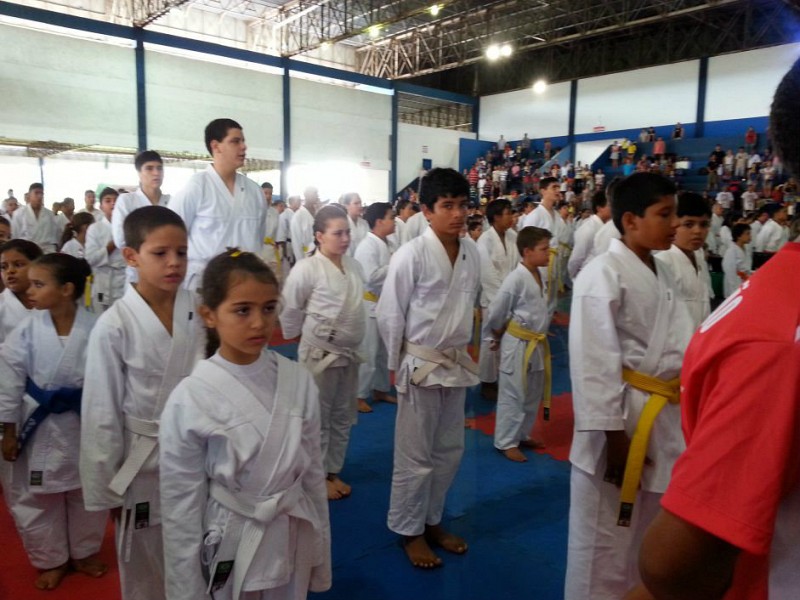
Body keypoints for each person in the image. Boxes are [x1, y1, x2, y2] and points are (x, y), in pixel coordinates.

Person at [628, 58, 800, 600]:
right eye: (675, 219)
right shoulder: (779, 337)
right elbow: (673, 566)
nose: (690, 230)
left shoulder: (760, 306)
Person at [160, 250, 331, 600]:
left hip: (291, 529)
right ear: (209, 315)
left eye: (268, 308)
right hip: (231, 535)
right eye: (242, 310)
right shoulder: (190, 396)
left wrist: (321, 553)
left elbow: (313, 475)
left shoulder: (298, 380)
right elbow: (181, 503)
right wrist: (186, 590)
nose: (259, 323)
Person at [564, 172, 694, 599]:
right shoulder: (601, 274)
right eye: (664, 214)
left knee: (644, 544)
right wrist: (613, 437)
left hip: (662, 416)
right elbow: (592, 362)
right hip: (620, 423)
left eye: (675, 214)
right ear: (631, 220)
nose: (675, 223)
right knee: (601, 549)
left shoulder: (663, 269)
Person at [80, 206, 204, 600]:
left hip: (198, 453)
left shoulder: (198, 309)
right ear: (131, 256)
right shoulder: (113, 325)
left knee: (198, 551)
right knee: (146, 565)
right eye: (160, 253)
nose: (174, 263)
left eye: (182, 252)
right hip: (142, 464)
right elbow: (100, 413)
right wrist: (107, 490)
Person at [377, 168, 479, 569]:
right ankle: (409, 530)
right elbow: (390, 313)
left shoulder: (472, 253)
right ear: (427, 211)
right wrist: (394, 365)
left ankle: (432, 520)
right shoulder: (411, 254)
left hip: (455, 364)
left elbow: (469, 306)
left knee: (449, 452)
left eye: (463, 205)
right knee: (415, 455)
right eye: (447, 206)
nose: (457, 214)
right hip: (419, 365)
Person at [0, 254, 107, 590]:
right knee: (38, 497)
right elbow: (9, 380)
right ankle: (52, 559)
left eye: (38, 284)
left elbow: (111, 381)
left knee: (86, 491)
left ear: (66, 289)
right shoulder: (26, 330)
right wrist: (8, 429)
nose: (29, 290)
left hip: (84, 421)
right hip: (38, 424)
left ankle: (84, 553)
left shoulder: (98, 328)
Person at [281, 204, 366, 500]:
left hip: (348, 354)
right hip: (319, 354)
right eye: (337, 234)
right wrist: (300, 339)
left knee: (343, 416)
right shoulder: (306, 269)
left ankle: (332, 471)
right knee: (316, 417)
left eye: (347, 233)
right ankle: (314, 478)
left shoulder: (354, 266)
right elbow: (290, 309)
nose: (345, 239)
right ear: (319, 236)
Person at [169, 118, 267, 290]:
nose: (243, 147)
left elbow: (258, 237)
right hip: (204, 282)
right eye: (235, 141)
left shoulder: (255, 191)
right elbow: (172, 234)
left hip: (245, 281)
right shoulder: (197, 186)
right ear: (216, 146)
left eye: (243, 141)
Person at [485, 226, 553, 462]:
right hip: (518, 343)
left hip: (536, 342)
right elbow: (497, 311)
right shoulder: (515, 278)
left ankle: (522, 434)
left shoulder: (540, 274)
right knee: (513, 393)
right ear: (527, 251)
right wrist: (496, 334)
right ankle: (506, 441)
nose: (549, 253)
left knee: (533, 392)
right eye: (544, 249)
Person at [354, 202, 396, 414]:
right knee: (368, 352)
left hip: (384, 304)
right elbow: (371, 277)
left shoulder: (389, 243)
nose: (394, 221)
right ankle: (359, 395)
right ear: (379, 221)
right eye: (391, 217)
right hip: (369, 304)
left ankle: (380, 389)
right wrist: (395, 265)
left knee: (382, 353)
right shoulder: (367, 246)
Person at [476, 198, 520, 401]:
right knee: (490, 341)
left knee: (508, 340)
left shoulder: (513, 236)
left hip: (511, 296)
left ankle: (503, 377)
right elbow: (487, 275)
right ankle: (487, 382)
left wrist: (513, 296)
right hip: (492, 299)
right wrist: (502, 302)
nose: (512, 217)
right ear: (496, 217)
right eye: (508, 213)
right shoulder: (484, 241)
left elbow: (519, 267)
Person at [654, 192, 714, 330]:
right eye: (688, 224)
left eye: (704, 224)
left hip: (699, 337)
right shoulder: (662, 262)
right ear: (673, 224)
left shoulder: (699, 259)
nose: (697, 231)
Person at [111, 150, 170, 282]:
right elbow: (121, 239)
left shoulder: (171, 201)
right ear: (139, 173)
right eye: (149, 168)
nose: (156, 173)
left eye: (159, 168)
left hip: (167, 270)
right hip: (138, 273)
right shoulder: (127, 201)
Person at [520, 177, 563, 310]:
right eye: (554, 187)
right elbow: (525, 242)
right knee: (538, 299)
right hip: (538, 265)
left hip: (554, 261)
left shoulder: (557, 215)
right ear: (543, 191)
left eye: (558, 187)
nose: (558, 190)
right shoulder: (535, 215)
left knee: (552, 300)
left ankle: (547, 320)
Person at [85, 187, 125, 313]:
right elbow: (90, 259)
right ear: (101, 207)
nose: (113, 203)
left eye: (116, 201)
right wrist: (111, 246)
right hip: (102, 279)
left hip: (123, 279)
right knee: (100, 317)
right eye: (108, 201)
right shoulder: (95, 228)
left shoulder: (128, 227)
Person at [0, 239, 42, 343]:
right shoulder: (2, 305)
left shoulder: (52, 301)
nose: (10, 271)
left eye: (18, 265)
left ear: (38, 266)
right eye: (3, 267)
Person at [568, 190, 610, 279]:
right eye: (609, 205)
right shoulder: (588, 229)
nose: (613, 209)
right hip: (587, 275)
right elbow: (576, 258)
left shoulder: (608, 226)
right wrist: (575, 277)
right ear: (599, 208)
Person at [11, 183, 59, 253]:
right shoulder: (19, 213)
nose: (40, 196)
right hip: (26, 250)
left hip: (47, 250)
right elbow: (15, 236)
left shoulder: (49, 214)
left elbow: (54, 236)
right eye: (36, 193)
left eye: (41, 193)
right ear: (29, 195)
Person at [290, 187, 322, 262]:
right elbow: (296, 243)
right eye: (314, 193)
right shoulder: (298, 216)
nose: (317, 195)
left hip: (320, 255)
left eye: (317, 193)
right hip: (306, 256)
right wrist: (300, 262)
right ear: (306, 195)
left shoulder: (319, 212)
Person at [259, 181, 282, 281]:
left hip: (272, 249)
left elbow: (277, 232)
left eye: (270, 193)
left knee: (273, 279)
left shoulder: (274, 212)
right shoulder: (254, 210)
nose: (268, 196)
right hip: (258, 249)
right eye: (265, 193)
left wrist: (276, 243)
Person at [722, 222, 752, 298]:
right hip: (734, 285)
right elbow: (730, 272)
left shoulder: (746, 249)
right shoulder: (731, 251)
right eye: (747, 234)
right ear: (739, 236)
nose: (750, 236)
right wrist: (735, 291)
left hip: (745, 282)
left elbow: (746, 268)